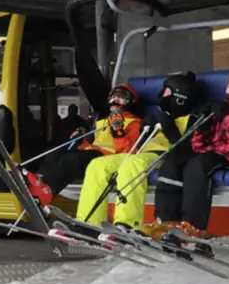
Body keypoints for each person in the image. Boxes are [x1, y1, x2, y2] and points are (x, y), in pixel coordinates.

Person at [152, 62, 229, 236]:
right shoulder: (223, 105)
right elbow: (200, 146)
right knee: (176, 160)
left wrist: (226, 116)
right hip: (216, 153)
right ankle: (165, 220)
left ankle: (193, 225)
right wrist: (203, 126)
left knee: (198, 165)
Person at [77, 71, 200, 228]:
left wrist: (170, 128)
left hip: (163, 156)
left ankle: (127, 223)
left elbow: (188, 149)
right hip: (142, 153)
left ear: (179, 95)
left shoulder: (190, 119)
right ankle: (89, 222)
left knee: (132, 164)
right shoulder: (157, 117)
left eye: (166, 92)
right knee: (98, 165)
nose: (162, 95)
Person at [25, 84, 143, 206]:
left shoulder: (135, 123)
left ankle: (46, 192)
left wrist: (118, 132)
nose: (115, 100)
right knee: (55, 154)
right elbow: (94, 146)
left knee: (71, 160)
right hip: (94, 155)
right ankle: (39, 183)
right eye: (113, 97)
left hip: (109, 159)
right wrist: (81, 140)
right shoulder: (102, 122)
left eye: (121, 97)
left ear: (131, 101)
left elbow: (130, 151)